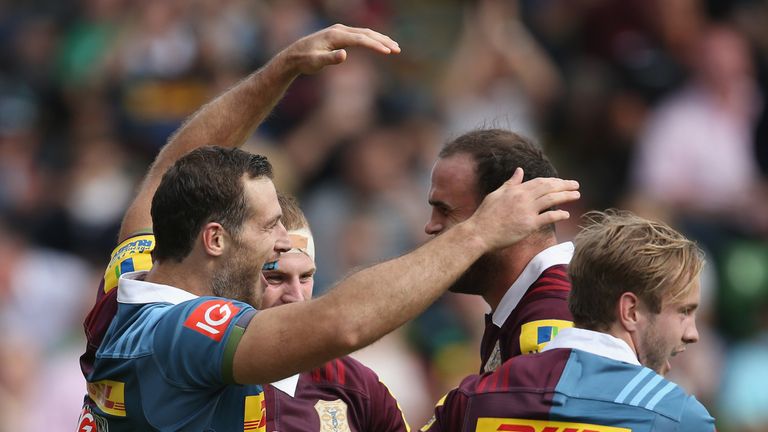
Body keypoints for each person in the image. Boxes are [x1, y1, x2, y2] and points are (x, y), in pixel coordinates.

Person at [77, 24, 581, 431]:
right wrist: (476, 233)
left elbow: (172, 173)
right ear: (213, 239)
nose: (282, 242)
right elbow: (343, 323)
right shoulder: (184, 335)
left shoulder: (133, 277)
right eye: (270, 227)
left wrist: (280, 70)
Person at [421, 210, 715, 432]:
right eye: (684, 312)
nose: (692, 334)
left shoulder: (473, 398)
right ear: (631, 311)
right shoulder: (678, 417)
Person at [425, 129, 574, 373]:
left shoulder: (553, 308)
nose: (430, 226)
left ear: (510, 212)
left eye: (445, 210)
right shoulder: (530, 302)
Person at [262, 194, 408, 431]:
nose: (297, 297)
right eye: (275, 278)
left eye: (306, 277)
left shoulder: (356, 386)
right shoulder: (199, 378)